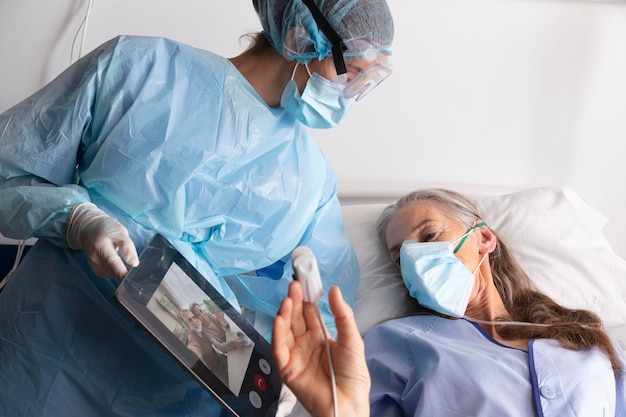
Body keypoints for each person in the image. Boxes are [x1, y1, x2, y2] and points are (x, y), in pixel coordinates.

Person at [0, 1, 394, 415]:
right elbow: (9, 170)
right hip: (43, 354)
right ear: (300, 38)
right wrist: (77, 220)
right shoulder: (140, 69)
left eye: (370, 78)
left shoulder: (310, 183)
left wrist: (297, 376)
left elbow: (326, 312)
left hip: (180, 392)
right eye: (352, 70)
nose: (353, 93)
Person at [272, 188, 626, 417]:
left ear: (484, 238)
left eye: (429, 236)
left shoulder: (582, 337)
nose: (417, 258)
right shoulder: (394, 344)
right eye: (401, 256)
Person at [181, 309, 230, 386]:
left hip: (220, 359)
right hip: (217, 373)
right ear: (186, 324)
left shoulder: (201, 330)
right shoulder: (192, 339)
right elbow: (194, 349)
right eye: (190, 320)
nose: (194, 321)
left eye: (194, 317)